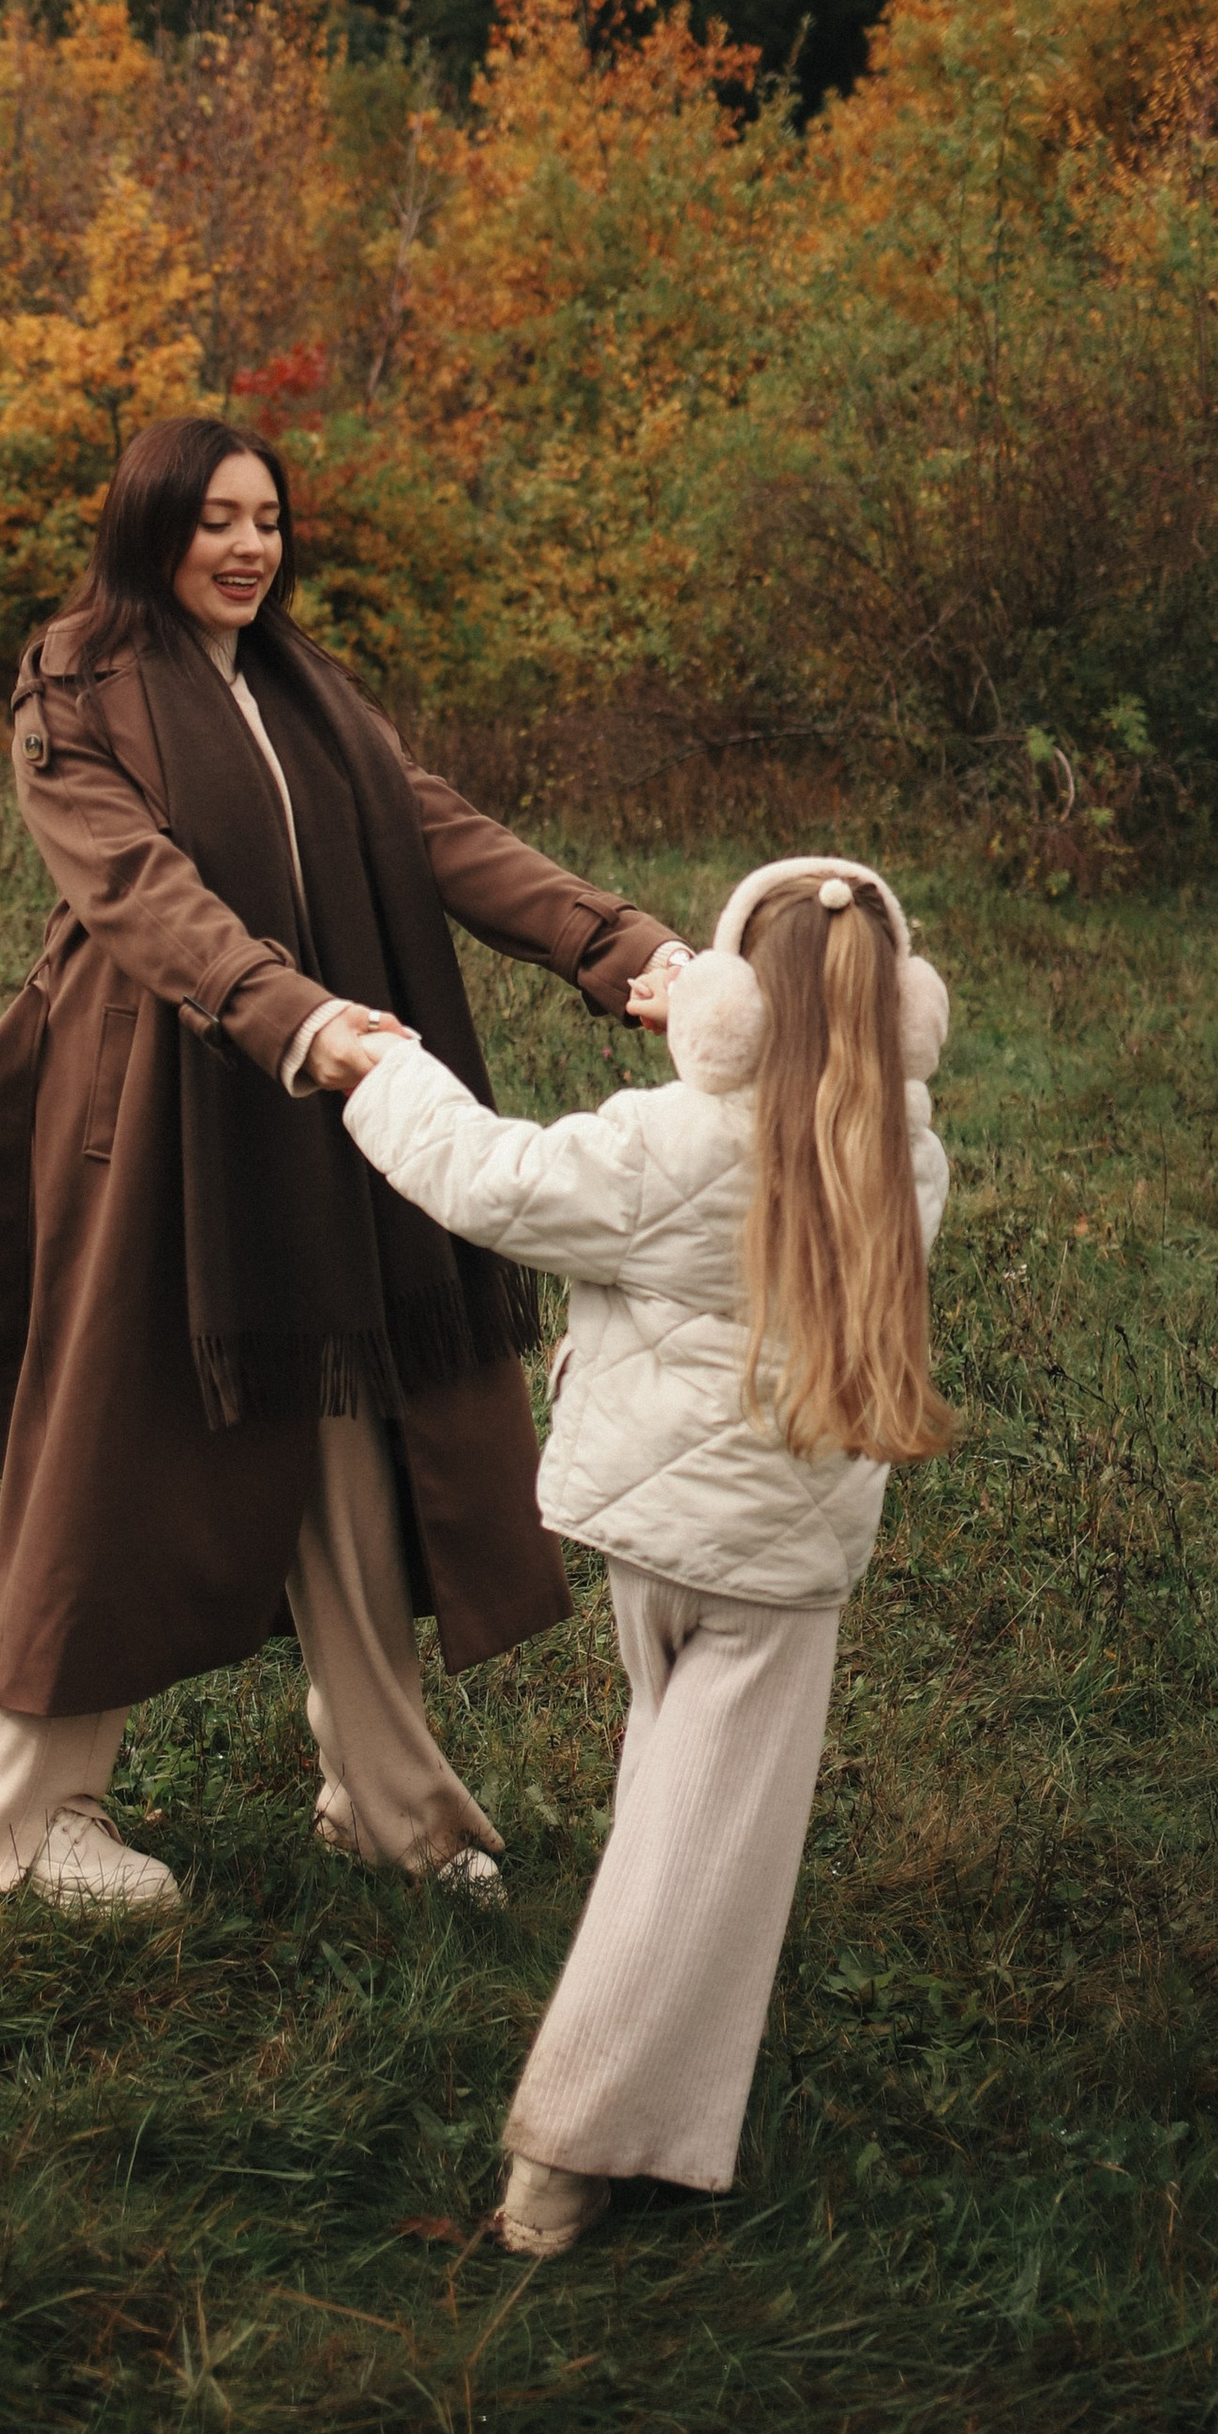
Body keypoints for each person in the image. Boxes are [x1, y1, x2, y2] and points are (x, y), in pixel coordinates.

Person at [0, 415, 692, 1913]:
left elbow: (438, 834)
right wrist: (299, 1017)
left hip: (339, 1085)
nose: (249, 546)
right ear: (152, 526)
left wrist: (625, 947)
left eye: (268, 518)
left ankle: (392, 1803)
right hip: (156, 1112)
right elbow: (140, 891)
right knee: (113, 1453)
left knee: (354, 1423)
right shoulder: (74, 684)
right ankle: (4, 1825)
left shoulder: (306, 689)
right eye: (216, 518)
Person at [338, 856, 955, 2253]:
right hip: (775, 1571)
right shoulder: (908, 1159)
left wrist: (386, 1071)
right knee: (700, 1843)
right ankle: (574, 2151)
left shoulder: (667, 1142)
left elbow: (485, 1175)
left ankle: (642, 2080)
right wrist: (704, 1026)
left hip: (646, 1541)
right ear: (904, 1017)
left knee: (664, 1792)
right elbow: (804, 1094)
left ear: (731, 1012)